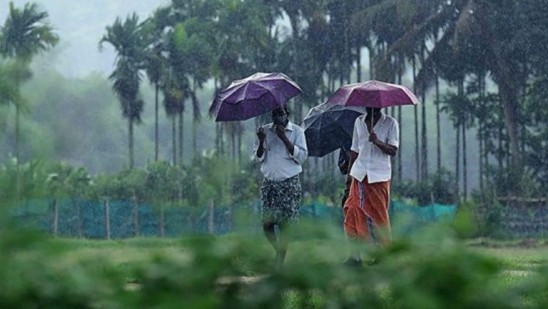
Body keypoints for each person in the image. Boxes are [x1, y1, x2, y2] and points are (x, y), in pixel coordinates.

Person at [343, 107, 399, 265]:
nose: (371, 108)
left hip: (378, 176)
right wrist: (349, 177)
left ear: (380, 106)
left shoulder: (390, 123)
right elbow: (355, 150)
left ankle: (385, 254)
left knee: (379, 217)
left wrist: (377, 141)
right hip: (359, 174)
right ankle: (355, 255)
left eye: (374, 106)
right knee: (351, 210)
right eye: (368, 105)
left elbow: (393, 150)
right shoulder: (359, 122)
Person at [254, 105, 308, 268]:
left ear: (287, 115)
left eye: (280, 114)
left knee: (285, 224)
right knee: (267, 223)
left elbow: (302, 156)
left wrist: (284, 138)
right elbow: (258, 157)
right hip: (270, 183)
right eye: (274, 114)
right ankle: (277, 250)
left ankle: (281, 261)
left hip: (289, 183)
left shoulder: (297, 131)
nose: (277, 117)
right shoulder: (264, 130)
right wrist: (262, 140)